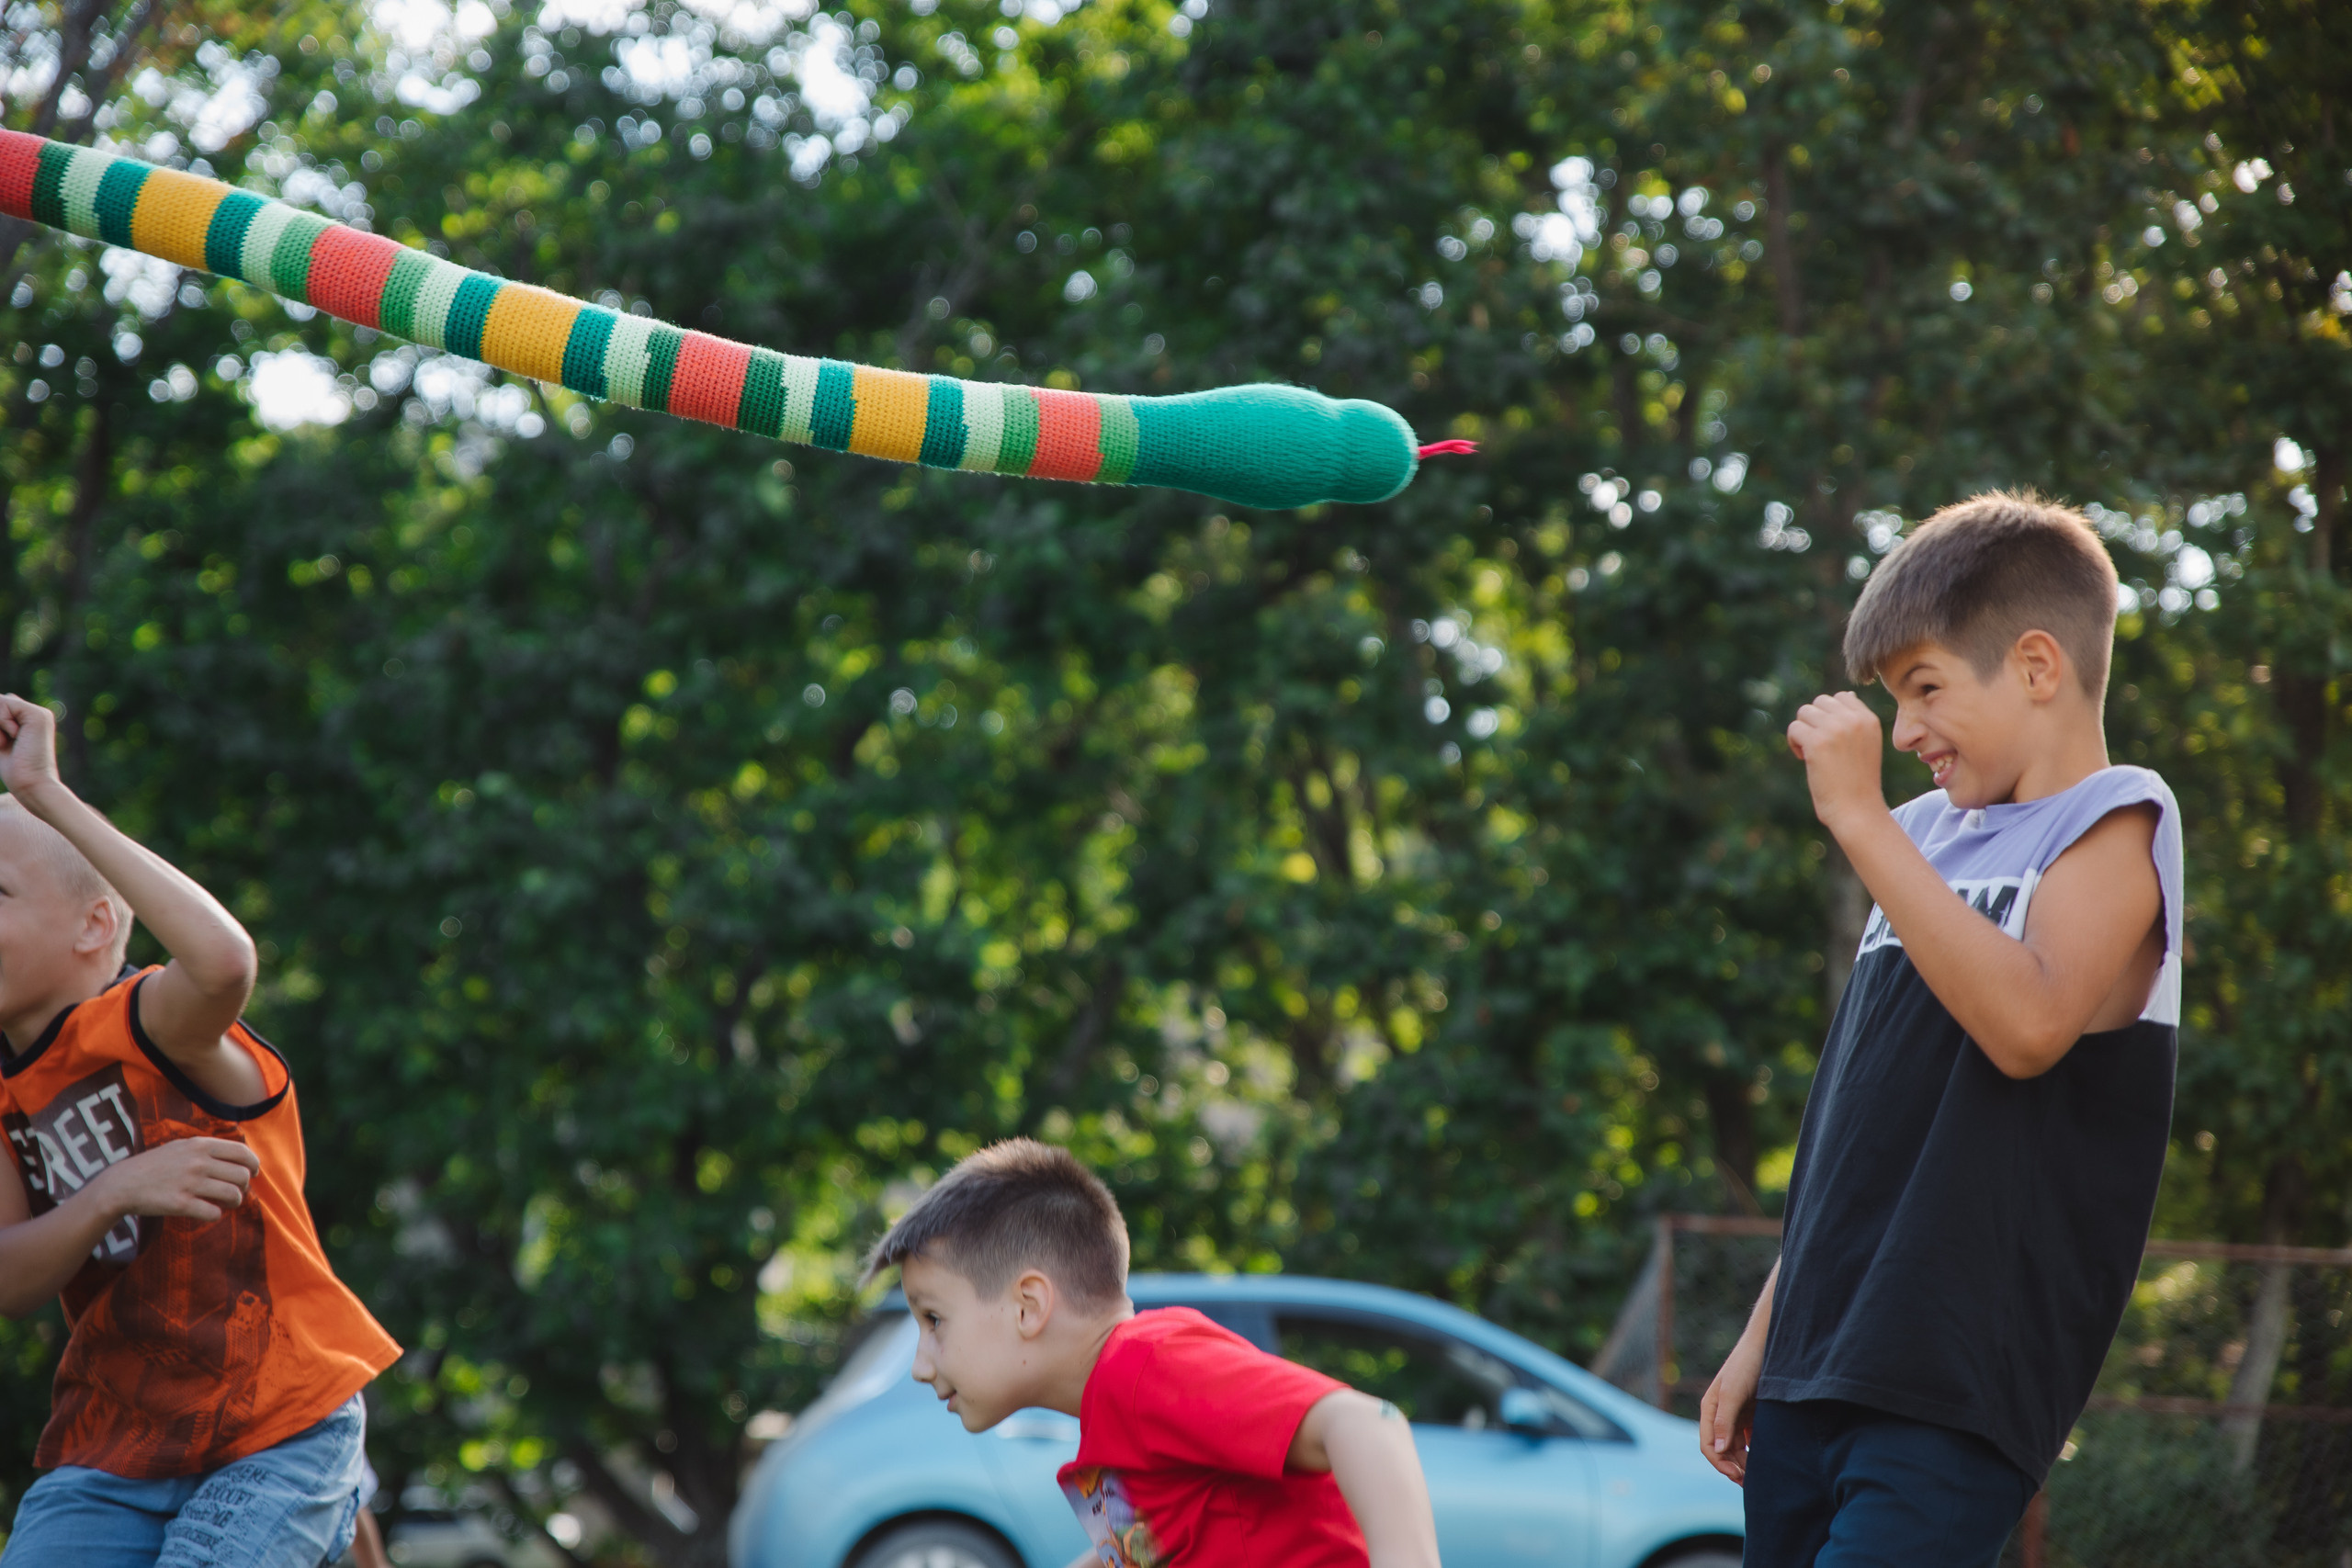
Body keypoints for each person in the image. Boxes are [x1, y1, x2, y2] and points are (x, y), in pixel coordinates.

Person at [1698, 492, 2182, 1565]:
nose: (1903, 731)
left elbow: (2026, 1028)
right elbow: (1860, 1130)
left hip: (1951, 1383)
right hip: (1811, 1367)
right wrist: (1759, 1342)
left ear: (2037, 667)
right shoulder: (1921, 837)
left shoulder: (2117, 818)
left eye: (1924, 690)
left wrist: (1863, 823)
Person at [0, 694, 401, 1567]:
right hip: (117, 1446)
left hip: (278, 1425)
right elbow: (9, 1276)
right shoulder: (5, 1090)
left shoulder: (148, 1020)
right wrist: (113, 1192)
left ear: (95, 925)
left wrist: (44, 792)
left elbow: (223, 963)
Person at [863, 1138, 1442, 1568]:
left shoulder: (1150, 1365)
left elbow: (1373, 1424)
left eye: (934, 1320)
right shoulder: (1106, 1435)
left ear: (1028, 1306)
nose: (921, 1364)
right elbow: (1136, 1555)